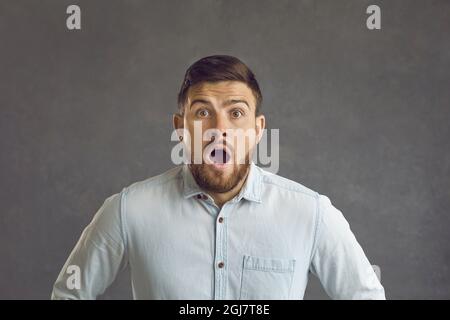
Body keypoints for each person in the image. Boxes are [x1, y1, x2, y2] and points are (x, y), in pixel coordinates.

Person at [51, 55, 385, 299]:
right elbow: (69, 295)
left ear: (257, 130)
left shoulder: (311, 213)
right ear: (181, 129)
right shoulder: (129, 209)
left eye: (236, 113)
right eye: (202, 113)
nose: (219, 130)